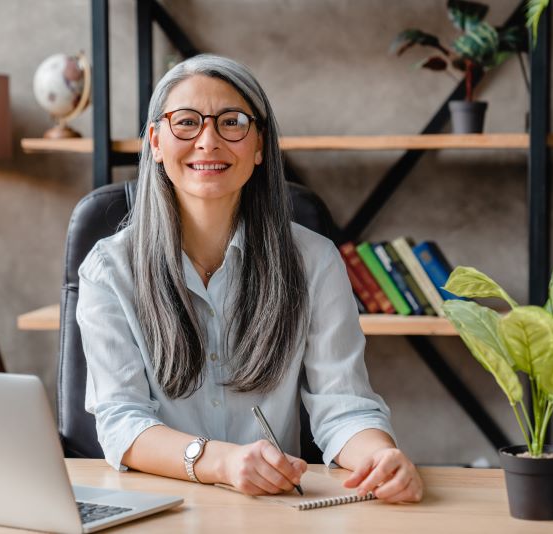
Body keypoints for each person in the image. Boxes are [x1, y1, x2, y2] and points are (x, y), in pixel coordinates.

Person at [77, 54, 423, 503]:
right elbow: (122, 420)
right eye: (186, 122)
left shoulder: (313, 261)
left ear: (259, 145)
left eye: (232, 122)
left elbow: (344, 406)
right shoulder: (110, 269)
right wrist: (220, 462)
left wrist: (381, 457)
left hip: (273, 508)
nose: (208, 141)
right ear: (155, 142)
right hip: (155, 507)